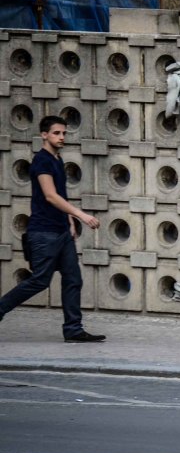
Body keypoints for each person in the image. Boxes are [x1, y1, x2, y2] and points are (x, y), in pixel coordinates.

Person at [0, 115, 104, 341]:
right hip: (43, 233)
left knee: (73, 278)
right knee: (39, 281)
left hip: (61, 232)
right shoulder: (42, 161)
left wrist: (68, 223)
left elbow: (60, 195)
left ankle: (73, 330)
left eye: (64, 133)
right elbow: (50, 195)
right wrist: (80, 215)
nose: (62, 137)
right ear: (44, 135)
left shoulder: (57, 160)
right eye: (56, 133)